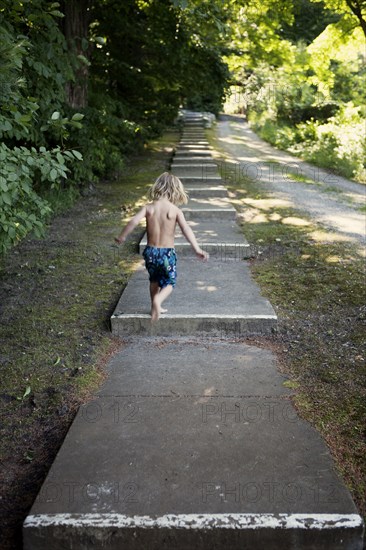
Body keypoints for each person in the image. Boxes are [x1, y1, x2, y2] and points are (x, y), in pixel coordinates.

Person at [115, 172, 209, 321]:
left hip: (150, 252)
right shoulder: (175, 210)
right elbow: (186, 230)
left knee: (154, 280)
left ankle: (154, 308)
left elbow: (133, 221)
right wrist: (196, 249)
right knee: (169, 282)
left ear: (158, 187)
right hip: (167, 254)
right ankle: (158, 301)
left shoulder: (149, 208)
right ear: (175, 190)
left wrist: (122, 236)